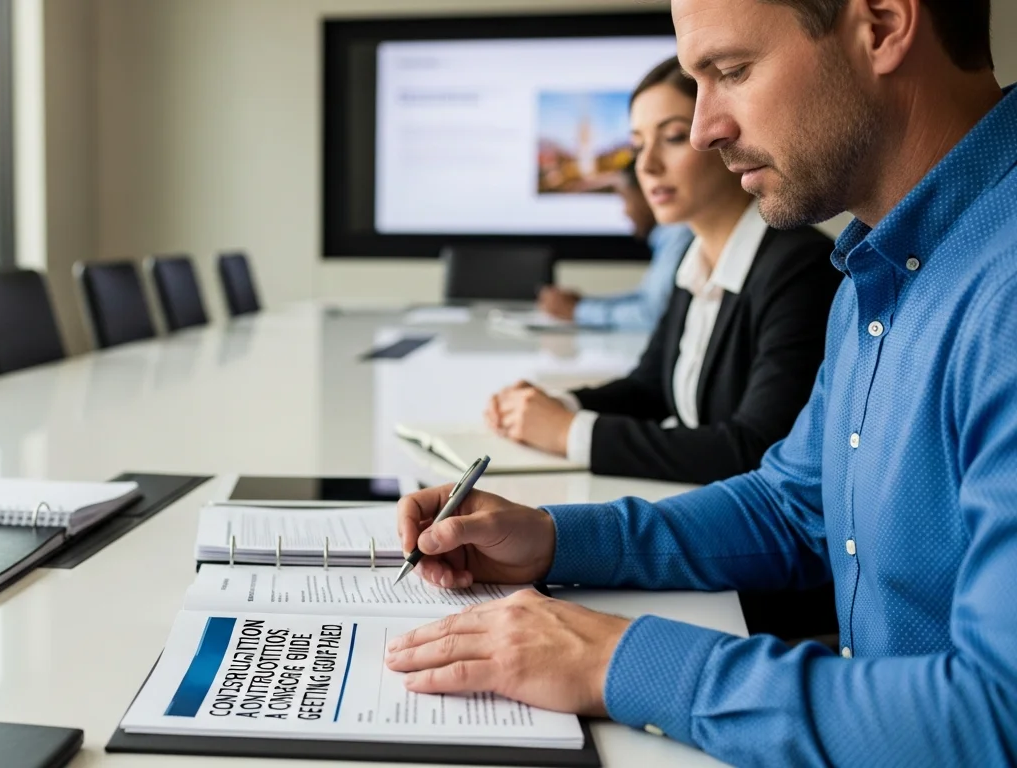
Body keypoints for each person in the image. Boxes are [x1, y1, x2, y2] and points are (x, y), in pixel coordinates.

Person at [386, 1, 1016, 765]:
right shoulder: (875, 264)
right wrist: (553, 539)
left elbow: (994, 719)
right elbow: (795, 506)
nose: (705, 127)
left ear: (882, 24)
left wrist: (615, 660)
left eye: (731, 72)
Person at [487, 58, 840, 486]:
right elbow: (650, 388)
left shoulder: (798, 268)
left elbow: (756, 447)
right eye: (637, 145)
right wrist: (555, 406)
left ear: (722, 135)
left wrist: (569, 433)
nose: (646, 165)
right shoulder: (694, 260)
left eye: (672, 137)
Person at [536, 160, 694, 330]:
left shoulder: (679, 234)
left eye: (625, 198)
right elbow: (646, 299)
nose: (625, 211)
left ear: (648, 192)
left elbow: (652, 315)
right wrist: (583, 304)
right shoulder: (668, 237)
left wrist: (578, 311)